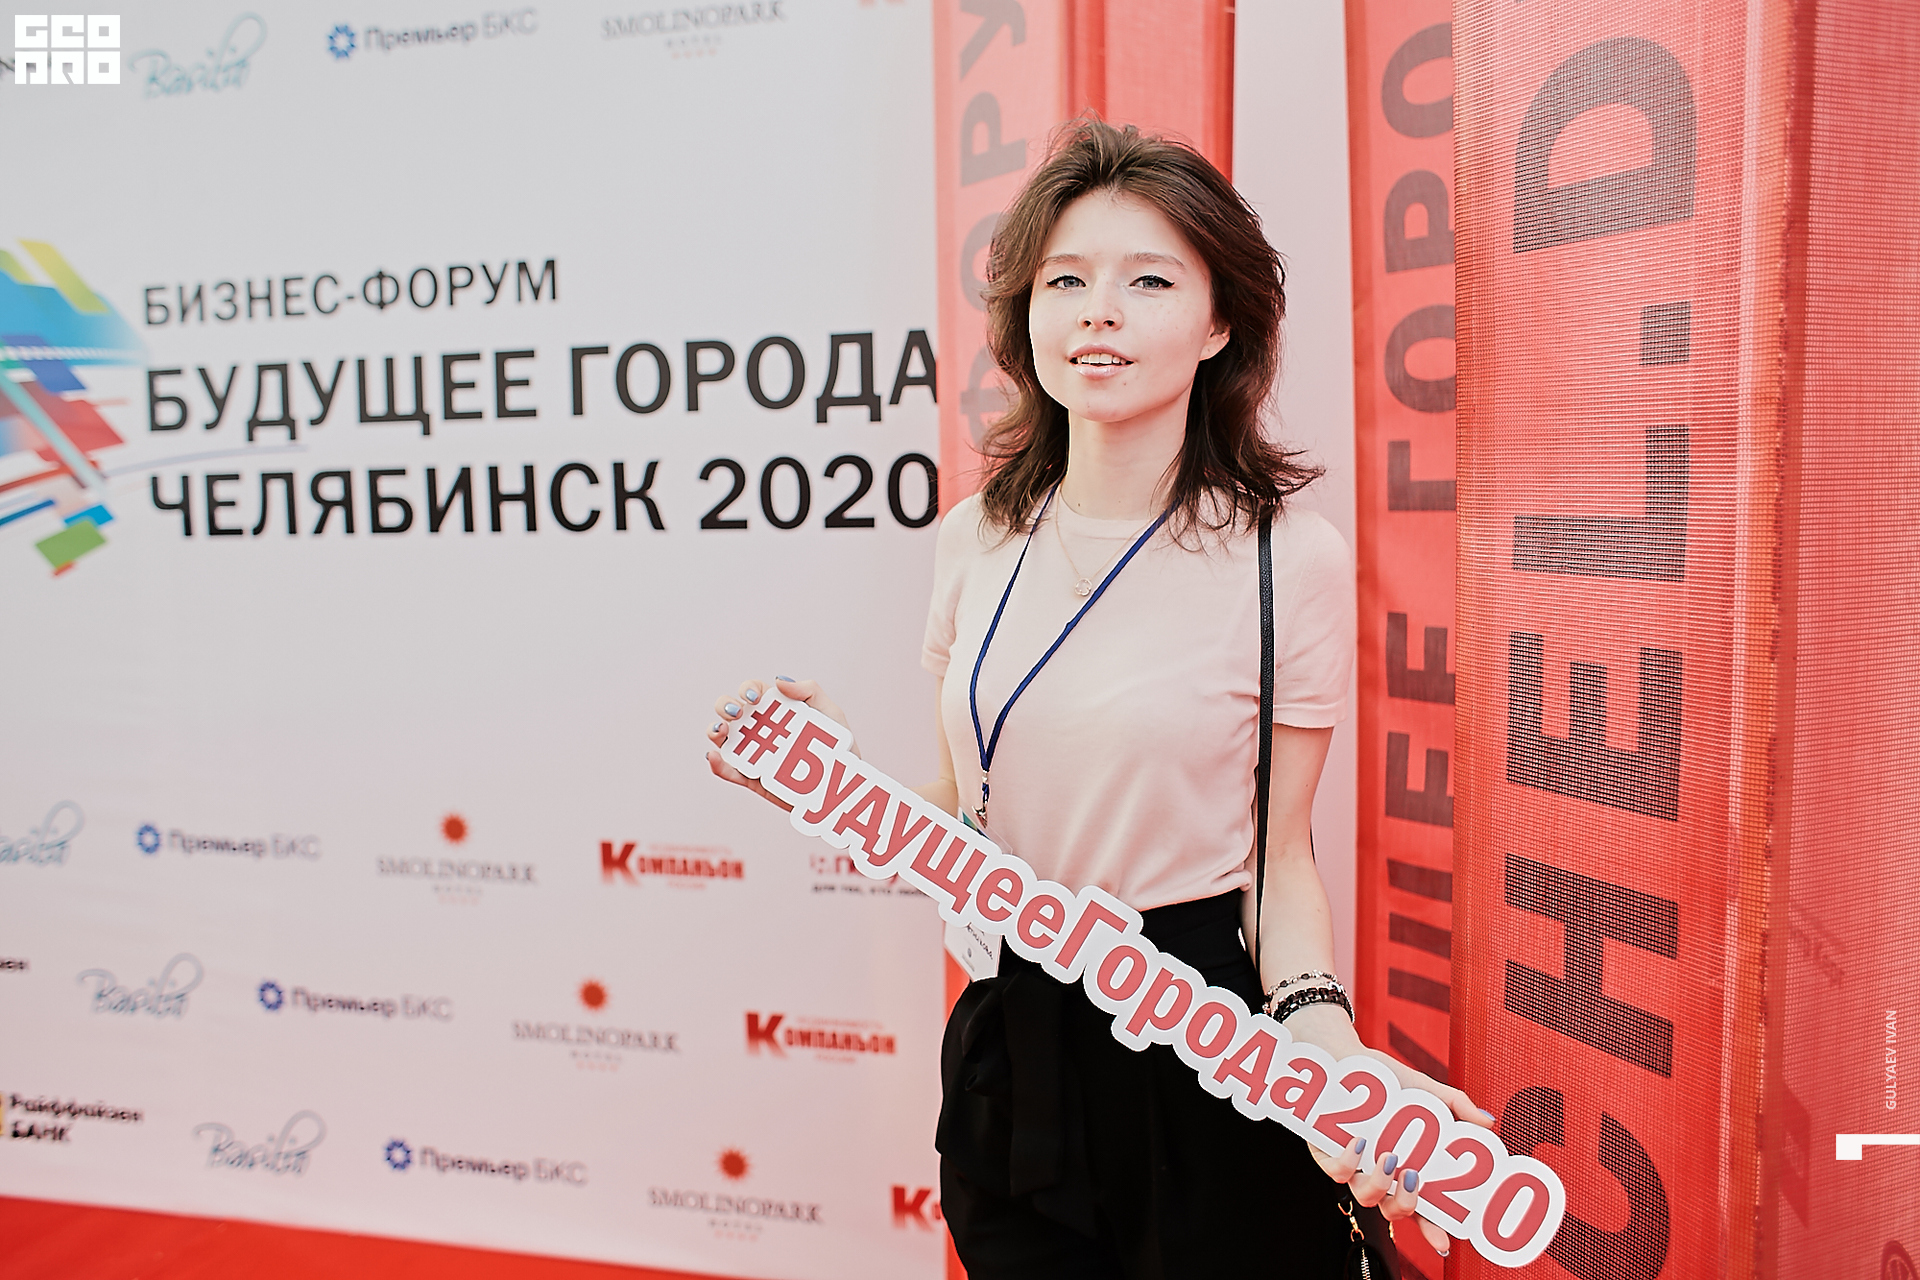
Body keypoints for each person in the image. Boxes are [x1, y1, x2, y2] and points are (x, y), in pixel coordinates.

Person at [706, 119, 1490, 1279]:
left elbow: (1278, 858)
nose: (1098, 312)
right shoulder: (974, 538)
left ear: (1220, 323)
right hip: (1010, 1049)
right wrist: (823, 782)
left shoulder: (1286, 556)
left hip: (1196, 1031)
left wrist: (1327, 1052)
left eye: (1148, 281)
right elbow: (963, 811)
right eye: (1065, 280)